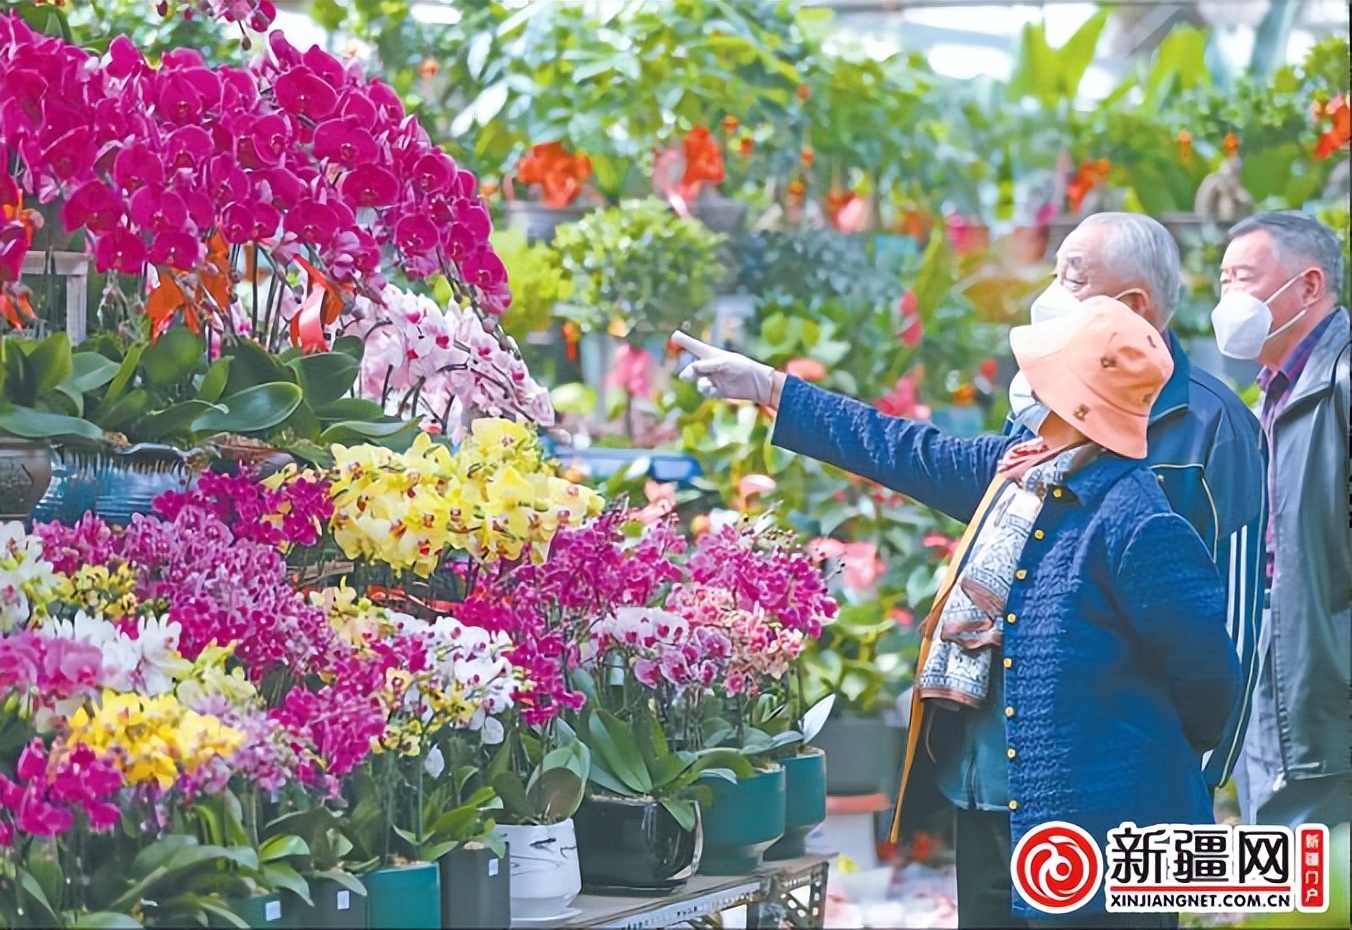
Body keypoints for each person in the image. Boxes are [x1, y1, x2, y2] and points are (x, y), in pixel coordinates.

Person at [677, 299, 1242, 928]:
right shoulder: (1018, 472)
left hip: (1094, 829)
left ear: (1076, 399)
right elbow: (897, 446)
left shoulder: (1136, 521)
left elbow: (1209, 685)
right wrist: (768, 385)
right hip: (985, 809)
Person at [1217, 211, 1351, 829]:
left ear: (1308, 287)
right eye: (1222, 281)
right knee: (1280, 844)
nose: (1229, 298)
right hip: (1274, 644)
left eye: (1243, 278)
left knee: (1313, 857)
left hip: (1323, 656)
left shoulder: (1339, 385)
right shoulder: (1273, 392)